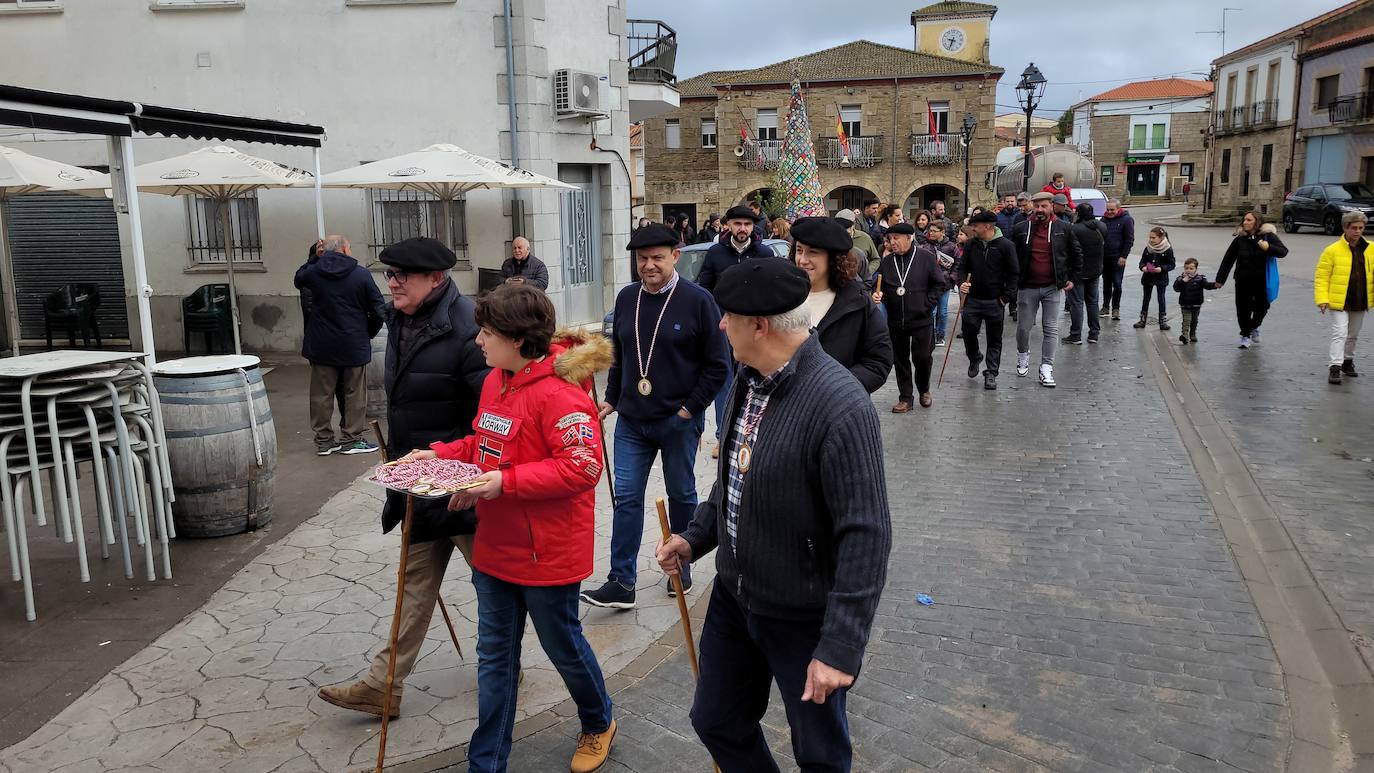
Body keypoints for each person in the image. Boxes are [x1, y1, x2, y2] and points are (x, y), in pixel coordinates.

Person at [655, 258, 892, 773]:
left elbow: (867, 534)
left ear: (758, 325)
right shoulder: (748, 376)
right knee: (715, 720)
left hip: (801, 615)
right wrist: (695, 538)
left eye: (727, 316)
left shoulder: (840, 405)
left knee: (820, 754)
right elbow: (734, 478)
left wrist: (841, 645)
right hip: (736, 598)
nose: (720, 325)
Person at [398, 285, 616, 773]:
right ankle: (487, 763)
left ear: (519, 340)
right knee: (494, 657)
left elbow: (582, 468)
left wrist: (502, 483)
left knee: (563, 646)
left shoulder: (563, 396)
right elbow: (486, 442)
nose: (478, 340)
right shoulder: (496, 381)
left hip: (549, 553)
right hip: (497, 547)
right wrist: (441, 455)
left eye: (488, 332)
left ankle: (598, 719)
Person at [317, 237, 489, 719]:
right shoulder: (401, 320)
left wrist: (463, 476)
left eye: (402, 275)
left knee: (496, 584)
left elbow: (488, 417)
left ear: (435, 278)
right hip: (417, 481)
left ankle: (505, 663)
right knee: (413, 585)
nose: (390, 282)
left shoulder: (467, 328)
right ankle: (383, 685)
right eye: (388, 274)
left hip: (460, 488)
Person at [582, 224, 729, 609]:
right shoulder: (627, 297)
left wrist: (689, 410)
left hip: (677, 422)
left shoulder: (698, 300)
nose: (648, 265)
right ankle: (621, 581)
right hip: (631, 420)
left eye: (657, 258)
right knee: (626, 498)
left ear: (675, 257)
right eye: (642, 259)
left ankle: (680, 563)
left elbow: (718, 366)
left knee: (682, 494)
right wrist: (612, 399)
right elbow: (619, 354)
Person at [294, 234, 386, 456]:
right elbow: (378, 308)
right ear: (345, 250)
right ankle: (351, 439)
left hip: (321, 343)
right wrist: (368, 332)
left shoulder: (315, 272)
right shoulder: (361, 274)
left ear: (324, 251)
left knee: (321, 394)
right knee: (354, 393)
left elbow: (298, 280)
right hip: (353, 342)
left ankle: (324, 441)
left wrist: (313, 259)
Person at [699, 205, 779, 457]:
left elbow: (772, 289)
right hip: (724, 329)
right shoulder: (715, 253)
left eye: (747, 224)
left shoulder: (764, 253)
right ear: (728, 226)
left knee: (754, 380)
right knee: (724, 382)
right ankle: (723, 437)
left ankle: (752, 435)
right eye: (737, 224)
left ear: (753, 227)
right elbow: (705, 287)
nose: (742, 229)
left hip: (755, 330)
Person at [789, 216, 893, 392]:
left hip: (837, 410)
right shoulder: (784, 297)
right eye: (799, 250)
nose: (803, 260)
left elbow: (878, 362)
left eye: (812, 252)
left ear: (833, 258)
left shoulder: (858, 302)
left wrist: (836, 389)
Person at [872, 222, 946, 410]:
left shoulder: (926, 258)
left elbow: (939, 284)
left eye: (896, 238)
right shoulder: (888, 261)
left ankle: (924, 389)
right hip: (896, 319)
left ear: (909, 238)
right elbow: (878, 284)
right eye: (890, 239)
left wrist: (927, 304)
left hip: (921, 318)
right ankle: (906, 397)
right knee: (900, 359)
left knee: (922, 357)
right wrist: (878, 294)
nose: (892, 242)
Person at [1011, 192, 1081, 388]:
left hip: (1052, 287)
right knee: (1024, 328)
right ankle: (1023, 354)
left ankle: (1046, 367)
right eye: (1037, 206)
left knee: (1051, 328)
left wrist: (1072, 278)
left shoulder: (1064, 228)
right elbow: (1012, 255)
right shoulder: (1021, 228)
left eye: (1044, 206)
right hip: (1027, 286)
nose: (1040, 210)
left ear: (1052, 206)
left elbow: (1076, 254)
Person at [959, 211, 1019, 390]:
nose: (973, 229)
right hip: (972, 300)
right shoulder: (970, 245)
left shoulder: (1006, 246)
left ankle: (991, 372)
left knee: (994, 339)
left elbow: (1014, 273)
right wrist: (962, 283)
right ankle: (974, 357)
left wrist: (1005, 297)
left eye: (976, 226)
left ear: (987, 226)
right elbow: (962, 267)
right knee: (968, 332)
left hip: (995, 300)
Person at [1315, 211, 1374, 384]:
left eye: (1360, 228)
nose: (1357, 231)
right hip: (1338, 300)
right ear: (1345, 228)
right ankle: (1335, 367)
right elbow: (1322, 276)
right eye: (1354, 228)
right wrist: (1322, 299)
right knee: (1340, 332)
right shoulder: (1332, 250)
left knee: (1353, 334)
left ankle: (1348, 361)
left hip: (1360, 298)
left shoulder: (1370, 249)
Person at [1215, 211, 1288, 348]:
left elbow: (1283, 251)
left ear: (1257, 222)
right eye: (1244, 220)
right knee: (1243, 309)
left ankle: (1254, 326)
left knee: (1262, 308)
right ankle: (1245, 335)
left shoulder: (1268, 236)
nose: (1245, 222)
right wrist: (1220, 280)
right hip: (1242, 280)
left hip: (1262, 281)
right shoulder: (1240, 239)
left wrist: (1268, 247)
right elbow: (1228, 259)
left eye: (1249, 220)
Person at [1064, 203, 1107, 345]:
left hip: (1077, 272)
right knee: (1093, 302)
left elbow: (1069, 251)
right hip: (1095, 270)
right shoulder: (1101, 226)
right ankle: (1094, 334)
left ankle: (1076, 335)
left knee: (1076, 304)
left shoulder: (1074, 229)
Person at [925, 221, 959, 347]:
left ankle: (940, 335)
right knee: (932, 311)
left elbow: (957, 263)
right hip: (931, 283)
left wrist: (952, 278)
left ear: (942, 232)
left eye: (934, 231)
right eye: (930, 230)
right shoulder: (927, 246)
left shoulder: (951, 246)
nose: (931, 233)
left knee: (943, 311)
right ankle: (931, 335)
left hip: (945, 283)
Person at [1134, 227, 1176, 331]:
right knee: (1146, 298)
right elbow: (1142, 261)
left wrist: (1161, 269)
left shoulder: (1167, 249)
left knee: (1161, 298)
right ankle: (1142, 320)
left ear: (1161, 238)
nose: (1151, 240)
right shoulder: (1148, 248)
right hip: (1148, 276)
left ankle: (1162, 321)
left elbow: (1171, 264)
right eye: (1150, 237)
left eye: (1153, 238)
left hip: (1161, 277)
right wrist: (1143, 267)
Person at [1100, 199, 1135, 321]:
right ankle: (1105, 306)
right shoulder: (1103, 220)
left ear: (1118, 209)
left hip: (1118, 257)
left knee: (1117, 283)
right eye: (1107, 209)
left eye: (1112, 210)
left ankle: (1116, 308)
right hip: (1105, 257)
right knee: (1106, 283)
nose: (1109, 212)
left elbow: (1129, 240)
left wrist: (1123, 256)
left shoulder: (1126, 220)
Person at [1173, 258, 1216, 345]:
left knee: (1194, 320)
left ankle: (1192, 334)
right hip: (1185, 303)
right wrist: (1182, 281)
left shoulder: (1201, 278)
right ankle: (1185, 336)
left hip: (1196, 303)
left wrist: (1215, 285)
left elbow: (1206, 285)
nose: (1188, 270)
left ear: (1196, 269)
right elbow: (1176, 288)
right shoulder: (1180, 278)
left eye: (1191, 268)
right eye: (1186, 268)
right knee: (1186, 320)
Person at [835, 208, 880, 278]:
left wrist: (867, 272)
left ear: (853, 224)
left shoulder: (865, 238)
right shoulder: (832, 239)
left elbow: (876, 259)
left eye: (846, 226)